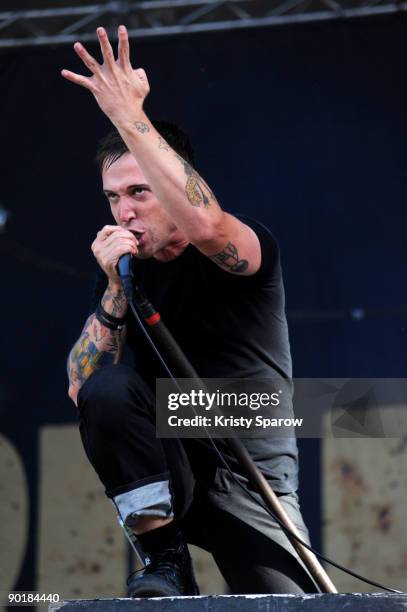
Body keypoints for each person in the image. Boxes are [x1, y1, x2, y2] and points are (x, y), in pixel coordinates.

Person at [64, 25, 319, 597]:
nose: (124, 211)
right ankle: (163, 558)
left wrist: (129, 113)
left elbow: (204, 225)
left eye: (139, 192)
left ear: (177, 183)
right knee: (108, 388)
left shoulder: (243, 247)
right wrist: (112, 290)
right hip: (170, 460)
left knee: (286, 605)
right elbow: (85, 393)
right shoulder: (127, 272)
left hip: (249, 468)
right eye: (112, 198)